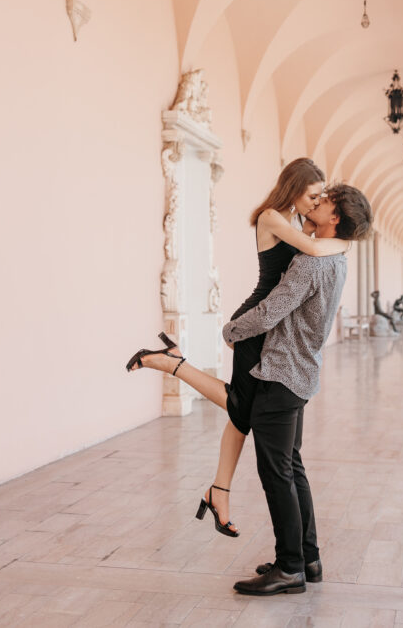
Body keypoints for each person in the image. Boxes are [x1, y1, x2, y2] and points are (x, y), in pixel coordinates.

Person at [127, 184, 373, 595]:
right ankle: (307, 559)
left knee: (276, 472)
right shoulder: (336, 260)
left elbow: (273, 309)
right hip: (302, 373)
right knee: (292, 468)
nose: (317, 201)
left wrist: (230, 330)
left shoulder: (312, 264)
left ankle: (290, 568)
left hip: (281, 374)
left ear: (335, 219)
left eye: (325, 200)